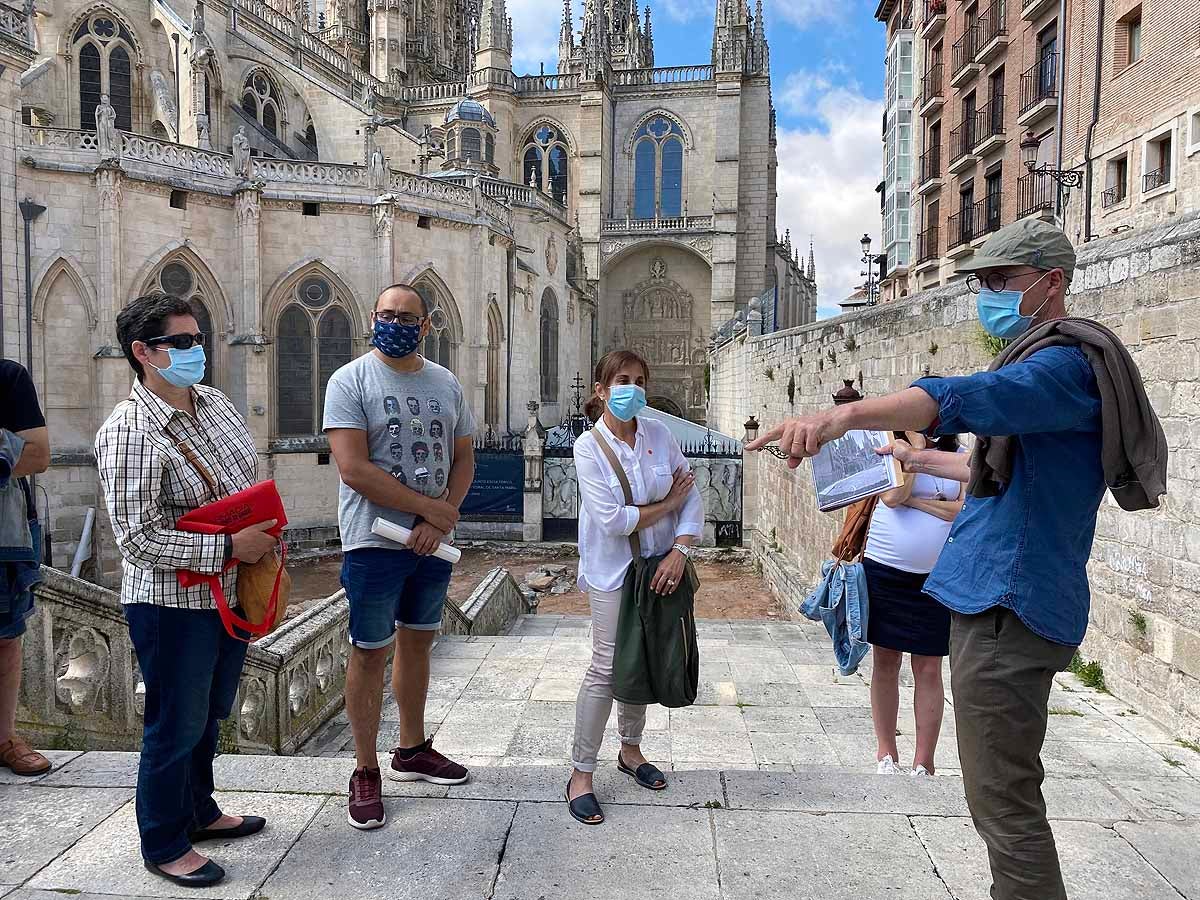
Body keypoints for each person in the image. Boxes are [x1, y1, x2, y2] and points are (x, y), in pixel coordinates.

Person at [746, 218, 1166, 900]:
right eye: (981, 283)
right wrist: (918, 456)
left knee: (1004, 804)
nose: (987, 296)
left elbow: (971, 397)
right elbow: (992, 467)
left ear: (1051, 283)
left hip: (1009, 606)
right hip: (998, 602)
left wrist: (845, 417)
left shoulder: (1061, 367)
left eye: (1000, 281)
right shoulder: (1049, 367)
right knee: (997, 796)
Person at [95, 293, 275, 889]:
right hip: (170, 604)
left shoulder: (217, 403)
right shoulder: (128, 431)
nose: (195, 351)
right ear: (142, 353)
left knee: (209, 713)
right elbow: (139, 538)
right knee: (173, 724)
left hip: (228, 595)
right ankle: (165, 841)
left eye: (198, 340)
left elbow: (243, 480)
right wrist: (228, 548)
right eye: (181, 342)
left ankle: (200, 810)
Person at [324, 283, 476, 831]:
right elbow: (354, 469)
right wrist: (428, 514)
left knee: (418, 641)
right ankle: (365, 769)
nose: (395, 322)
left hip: (431, 545)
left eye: (406, 316)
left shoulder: (446, 382)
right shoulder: (349, 380)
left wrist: (443, 514)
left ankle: (411, 748)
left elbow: (463, 457)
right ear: (373, 317)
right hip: (373, 542)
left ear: (426, 325)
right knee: (368, 652)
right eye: (387, 313)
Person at [565, 350, 703, 825]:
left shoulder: (660, 435)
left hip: (662, 567)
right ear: (601, 390)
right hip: (613, 573)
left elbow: (692, 496)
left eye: (640, 380)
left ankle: (630, 751)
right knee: (605, 667)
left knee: (641, 657)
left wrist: (680, 551)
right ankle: (581, 774)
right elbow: (612, 520)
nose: (633, 388)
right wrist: (668, 504)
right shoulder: (589, 448)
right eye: (622, 380)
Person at [863, 429, 963, 777]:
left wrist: (917, 503)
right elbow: (893, 497)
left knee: (929, 667)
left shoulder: (959, 453)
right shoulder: (891, 454)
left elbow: (960, 510)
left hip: (937, 577)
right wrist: (915, 455)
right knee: (886, 661)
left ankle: (925, 759)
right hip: (885, 568)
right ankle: (886, 752)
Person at [0, 359, 51, 777]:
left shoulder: (7, 377)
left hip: (4, 534)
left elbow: (38, 455)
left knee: (5, 638)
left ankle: (5, 737)